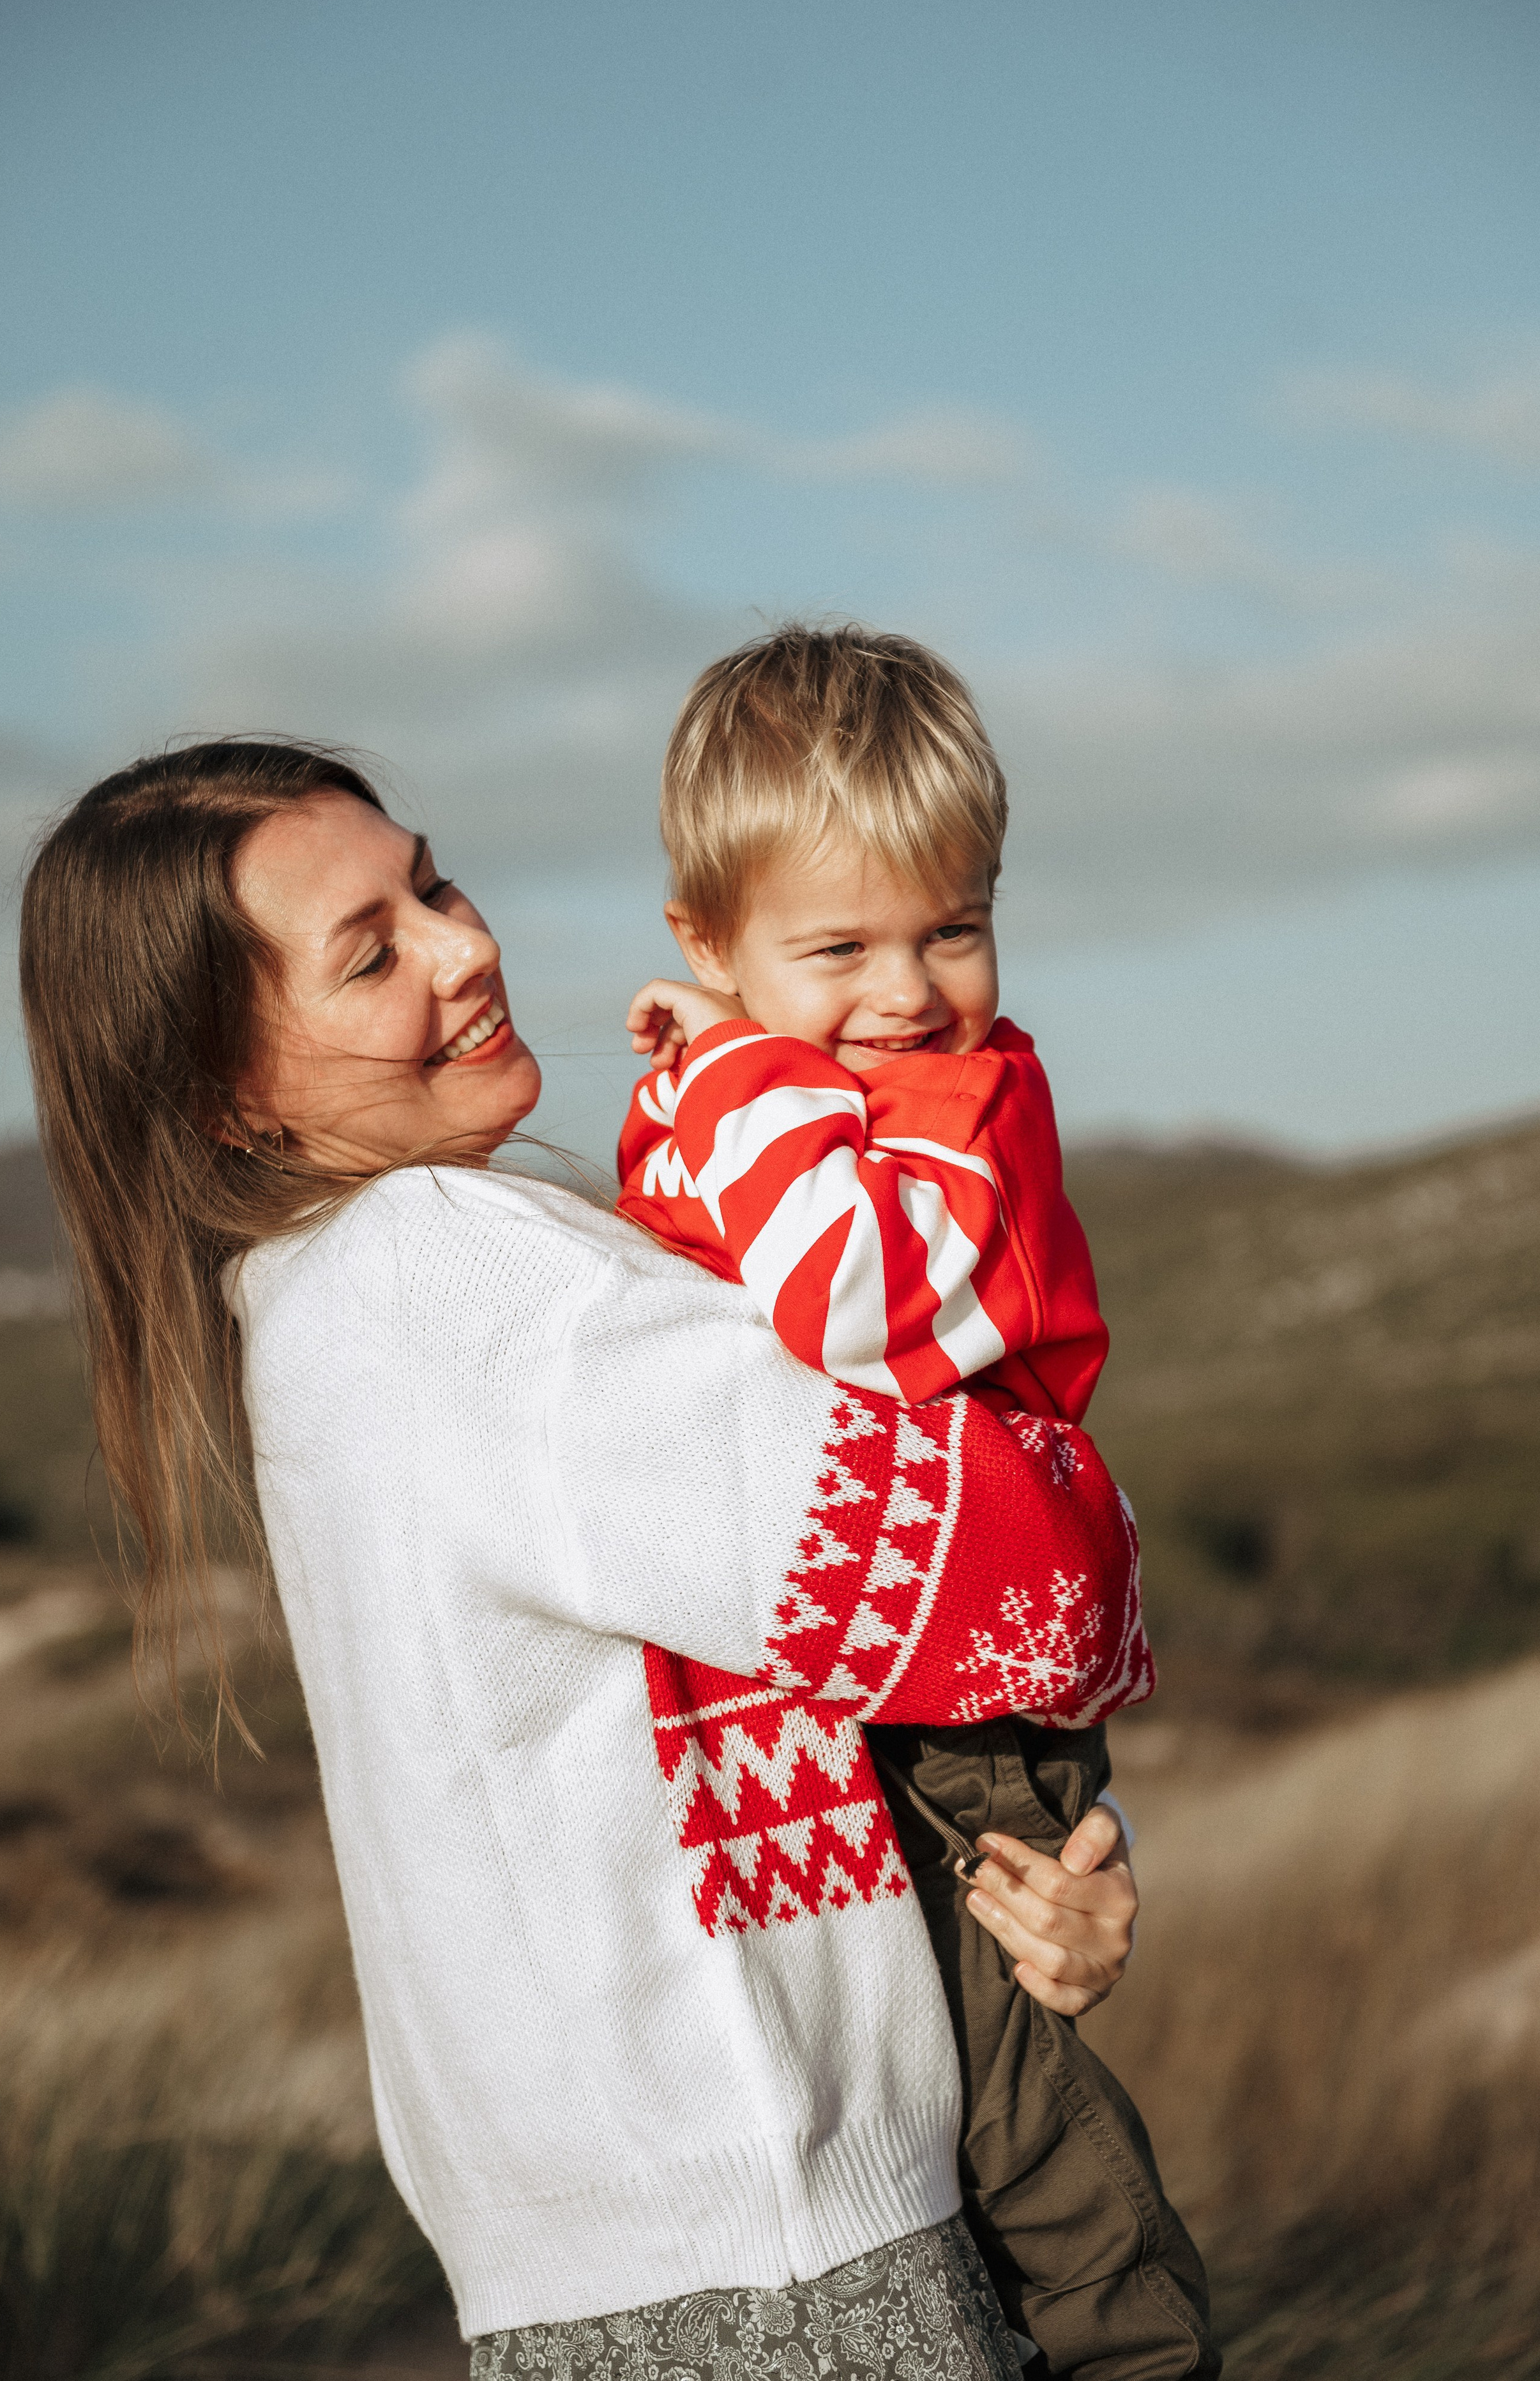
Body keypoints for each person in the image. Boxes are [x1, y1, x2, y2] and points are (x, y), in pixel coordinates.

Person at [20, 736, 1151, 2381]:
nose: (464, 947)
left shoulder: (323, 1303)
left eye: (432, 882)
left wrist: (1062, 1863)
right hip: (781, 2277)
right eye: (371, 951)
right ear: (226, 1093)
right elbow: (1017, 1587)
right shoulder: (450, 1281)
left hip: (652, 2275)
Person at [617, 627, 1218, 2381]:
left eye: (953, 927)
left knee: (1009, 2106)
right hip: (850, 1662)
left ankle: (1138, 2356)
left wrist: (731, 1060)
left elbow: (845, 1302)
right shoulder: (803, 1097)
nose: (907, 991)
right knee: (889, 2103)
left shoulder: (964, 1114)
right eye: (839, 947)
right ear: (707, 941)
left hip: (972, 1691)